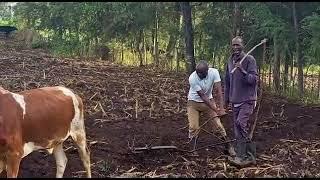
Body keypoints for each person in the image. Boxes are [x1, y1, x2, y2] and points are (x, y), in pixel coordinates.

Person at [187, 60, 235, 156]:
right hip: (193, 103)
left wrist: (221, 108)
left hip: (209, 101)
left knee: (218, 125)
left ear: (207, 71)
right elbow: (203, 97)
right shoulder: (192, 78)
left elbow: (218, 91)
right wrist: (216, 109)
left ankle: (228, 146)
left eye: (202, 73)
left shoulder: (214, 72)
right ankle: (193, 149)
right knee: (193, 127)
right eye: (198, 73)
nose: (199, 75)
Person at [224, 36, 258, 167]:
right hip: (235, 100)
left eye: (238, 45)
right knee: (237, 129)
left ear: (243, 46)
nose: (235, 47)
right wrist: (226, 101)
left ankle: (249, 155)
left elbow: (254, 80)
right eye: (233, 45)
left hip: (247, 99)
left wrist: (242, 71)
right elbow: (227, 81)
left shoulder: (249, 60)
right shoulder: (230, 60)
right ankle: (241, 155)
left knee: (240, 123)